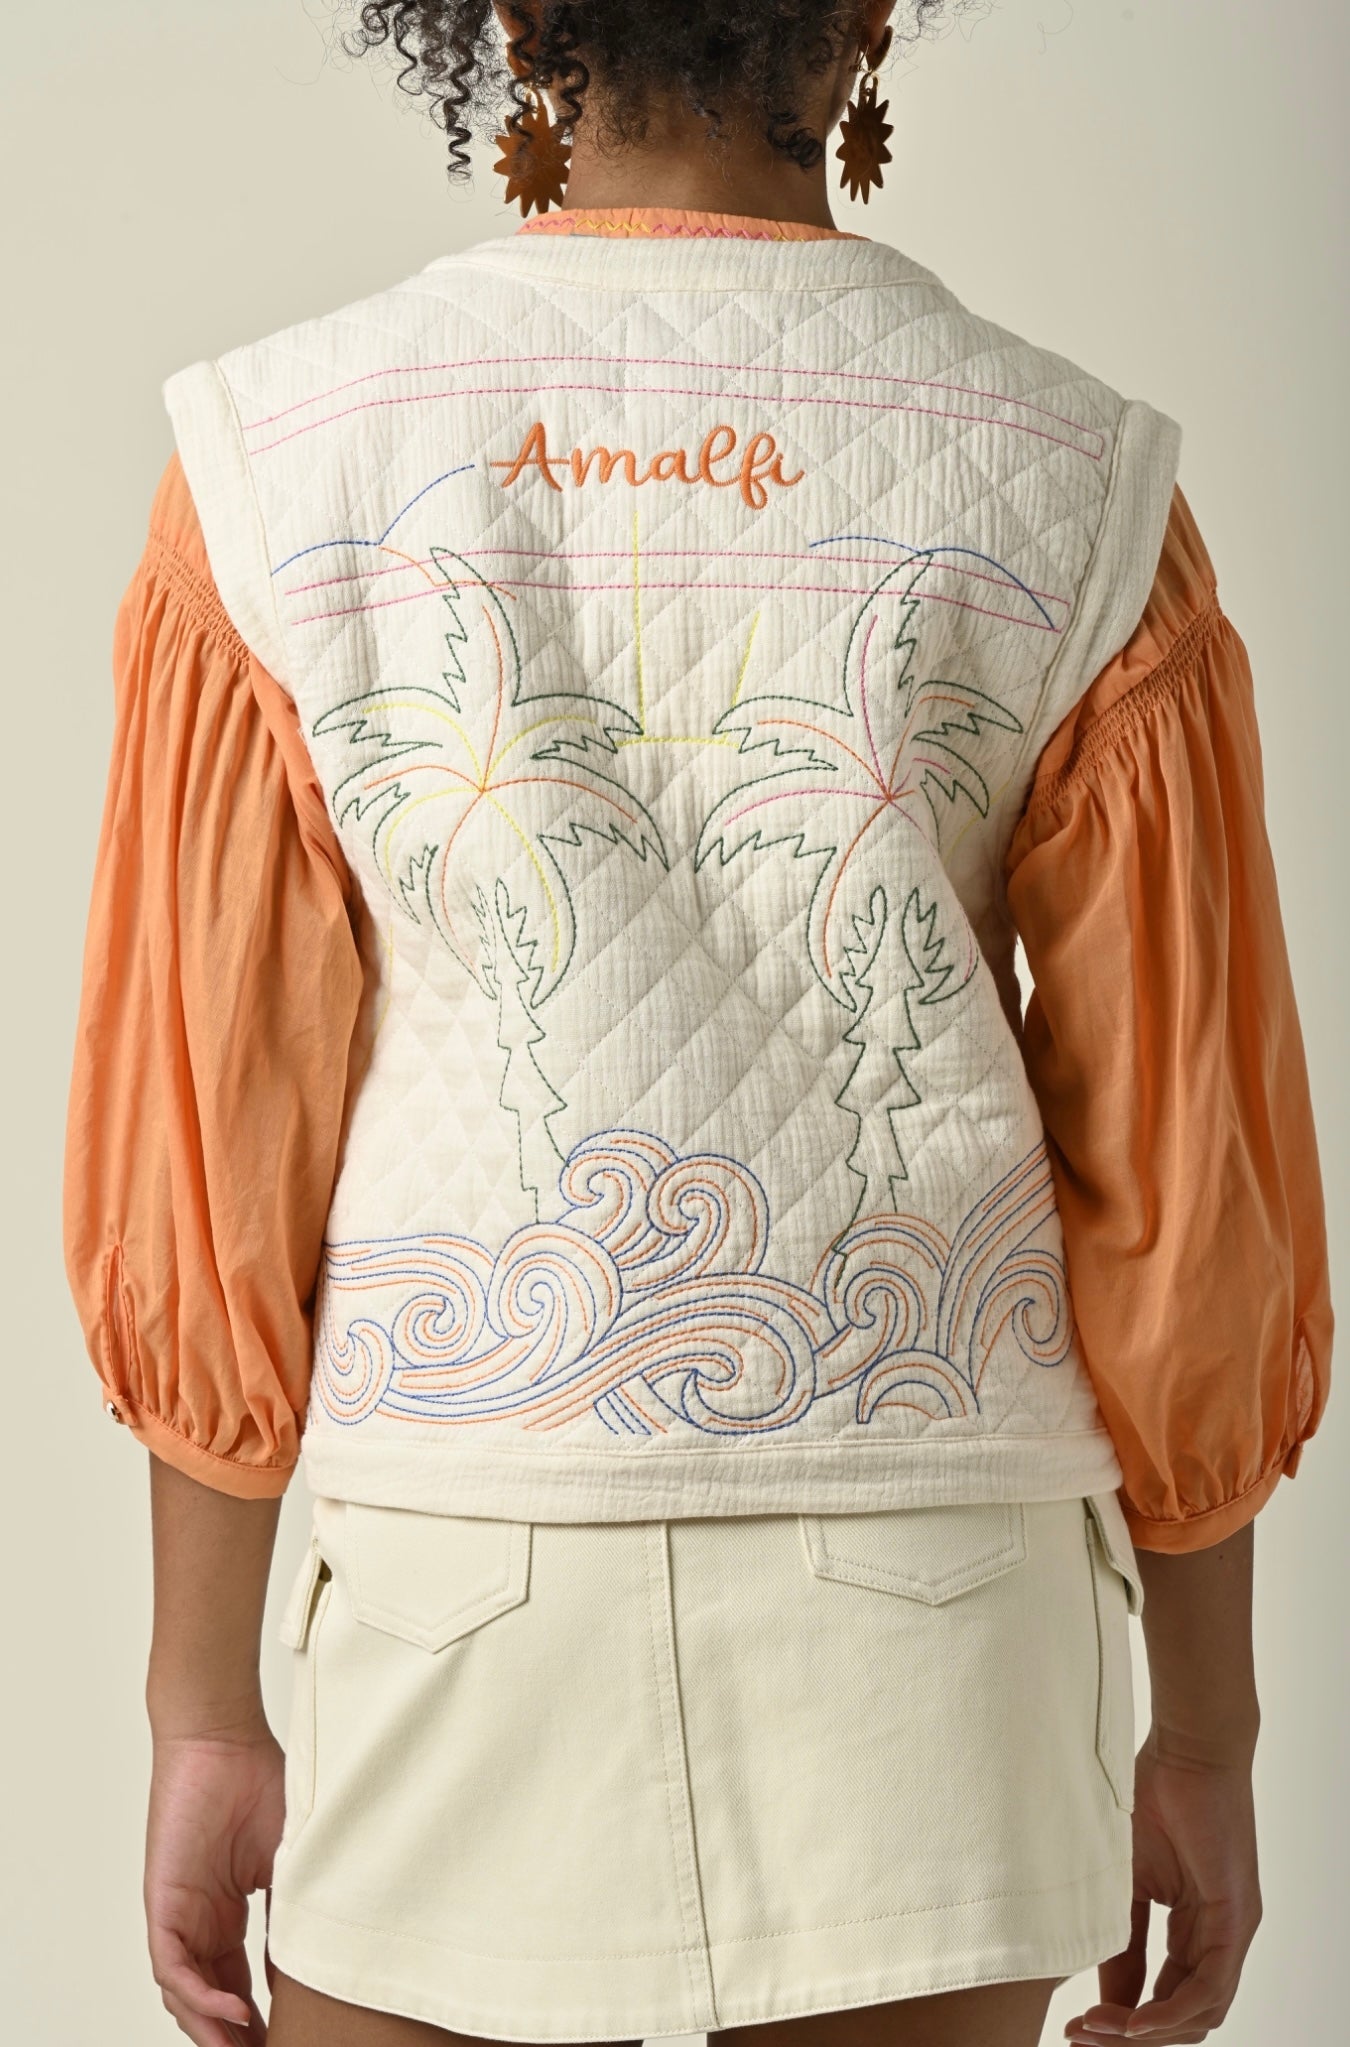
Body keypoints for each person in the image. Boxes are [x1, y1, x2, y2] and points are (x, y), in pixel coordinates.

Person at [62, 5, 1334, 2046]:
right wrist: (1207, 1727)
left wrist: (200, 1706)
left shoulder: (278, 461)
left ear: (508, 26)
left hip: (463, 1574)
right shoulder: (1075, 475)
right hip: (938, 1604)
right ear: (866, 20)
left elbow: (212, 1154)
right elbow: (1188, 1198)